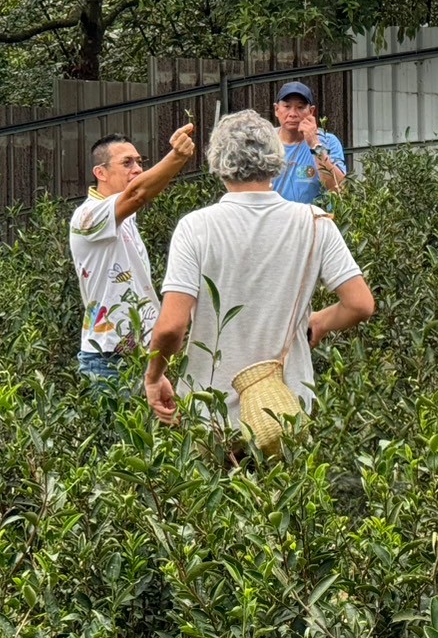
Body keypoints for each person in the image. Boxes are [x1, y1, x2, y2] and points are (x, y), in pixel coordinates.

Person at [145, 110, 375, 429]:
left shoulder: (195, 227)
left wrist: (154, 377)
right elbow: (360, 304)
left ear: (218, 161)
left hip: (209, 410)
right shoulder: (315, 221)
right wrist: (318, 323)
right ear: (276, 160)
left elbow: (172, 327)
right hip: (287, 408)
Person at [69, 122, 196, 386]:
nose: (138, 168)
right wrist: (177, 157)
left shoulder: (125, 217)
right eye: (127, 163)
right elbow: (138, 194)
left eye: (139, 161)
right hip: (108, 358)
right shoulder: (88, 216)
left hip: (143, 353)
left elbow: (139, 194)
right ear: (100, 173)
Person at [272, 80, 347, 203]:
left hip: (312, 219)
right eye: (287, 106)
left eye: (300, 107)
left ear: (311, 111)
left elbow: (340, 190)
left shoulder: (328, 141)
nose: (293, 114)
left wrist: (315, 144)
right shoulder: (264, 141)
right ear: (276, 109)